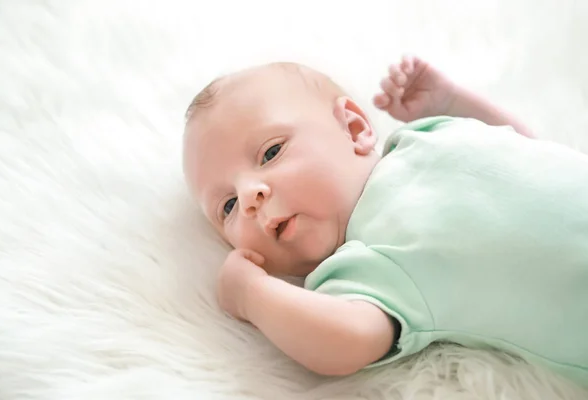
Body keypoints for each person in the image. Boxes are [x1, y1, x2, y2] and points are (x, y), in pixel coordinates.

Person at [182, 55, 588, 387]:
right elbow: (346, 341)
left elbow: (521, 147)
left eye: (271, 153)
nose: (250, 197)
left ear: (355, 128)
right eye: (228, 206)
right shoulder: (362, 264)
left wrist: (451, 104)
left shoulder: (424, 135)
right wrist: (253, 294)